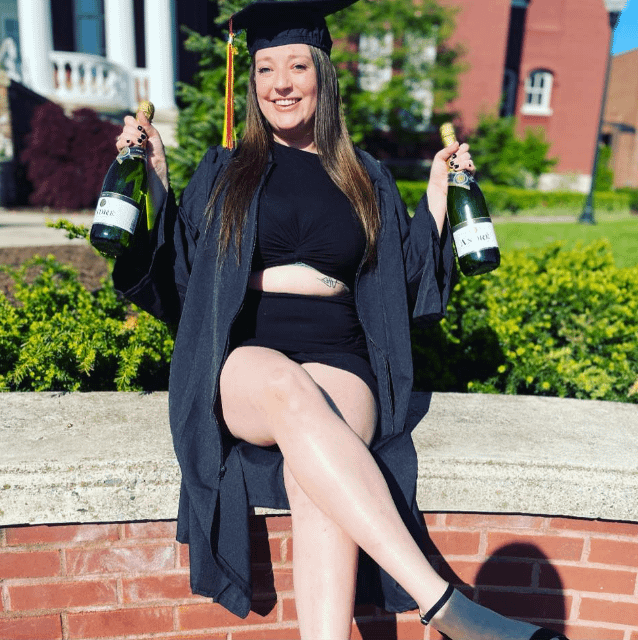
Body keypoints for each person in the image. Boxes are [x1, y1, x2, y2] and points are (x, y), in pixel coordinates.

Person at [112, 1, 570, 639]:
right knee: (287, 388)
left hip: (343, 356)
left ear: (322, 76)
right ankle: (446, 606)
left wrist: (437, 199)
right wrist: (157, 179)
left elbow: (401, 289)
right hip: (250, 361)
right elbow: (182, 274)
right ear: (252, 83)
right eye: (266, 69)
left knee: (317, 476)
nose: (280, 83)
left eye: (297, 66)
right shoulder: (225, 171)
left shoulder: (365, 177)